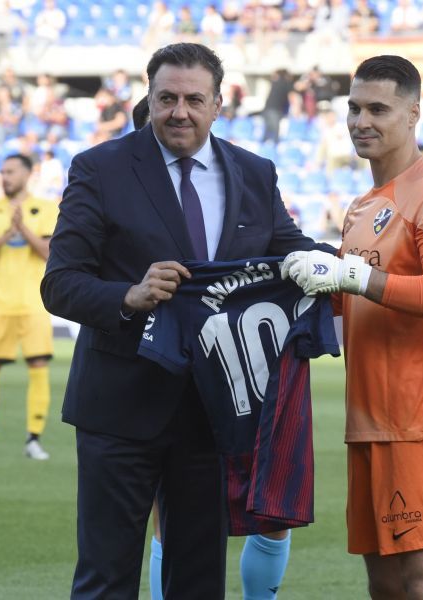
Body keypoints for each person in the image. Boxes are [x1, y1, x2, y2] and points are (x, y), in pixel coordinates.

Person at [40, 43, 324, 599]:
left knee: (198, 582)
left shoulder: (254, 173)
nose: (179, 111)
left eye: (195, 99)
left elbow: (295, 255)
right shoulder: (100, 168)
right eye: (167, 98)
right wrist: (130, 294)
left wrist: (351, 260)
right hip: (119, 408)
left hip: (211, 412)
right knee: (105, 579)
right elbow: (60, 282)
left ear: (219, 104)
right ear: (148, 98)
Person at [281, 55, 423, 600]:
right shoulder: (363, 205)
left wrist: (354, 276)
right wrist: (317, 281)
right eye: (355, 108)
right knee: (386, 583)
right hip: (369, 417)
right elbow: (354, 296)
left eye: (379, 109)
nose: (362, 120)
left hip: (420, 417)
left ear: (413, 114)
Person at [128, 94, 299, 600]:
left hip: (245, 375)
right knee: (170, 516)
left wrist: (334, 266)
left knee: (271, 512)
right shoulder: (123, 198)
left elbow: (288, 247)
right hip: (163, 379)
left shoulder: (241, 181)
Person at [0, 154, 59, 461]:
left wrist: (24, 229)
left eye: (10, 172)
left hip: (34, 303)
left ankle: (34, 438)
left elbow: (50, 252)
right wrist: (8, 233)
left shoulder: (46, 208)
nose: (4, 177)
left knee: (38, 367)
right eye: (2, 172)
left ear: (27, 174)